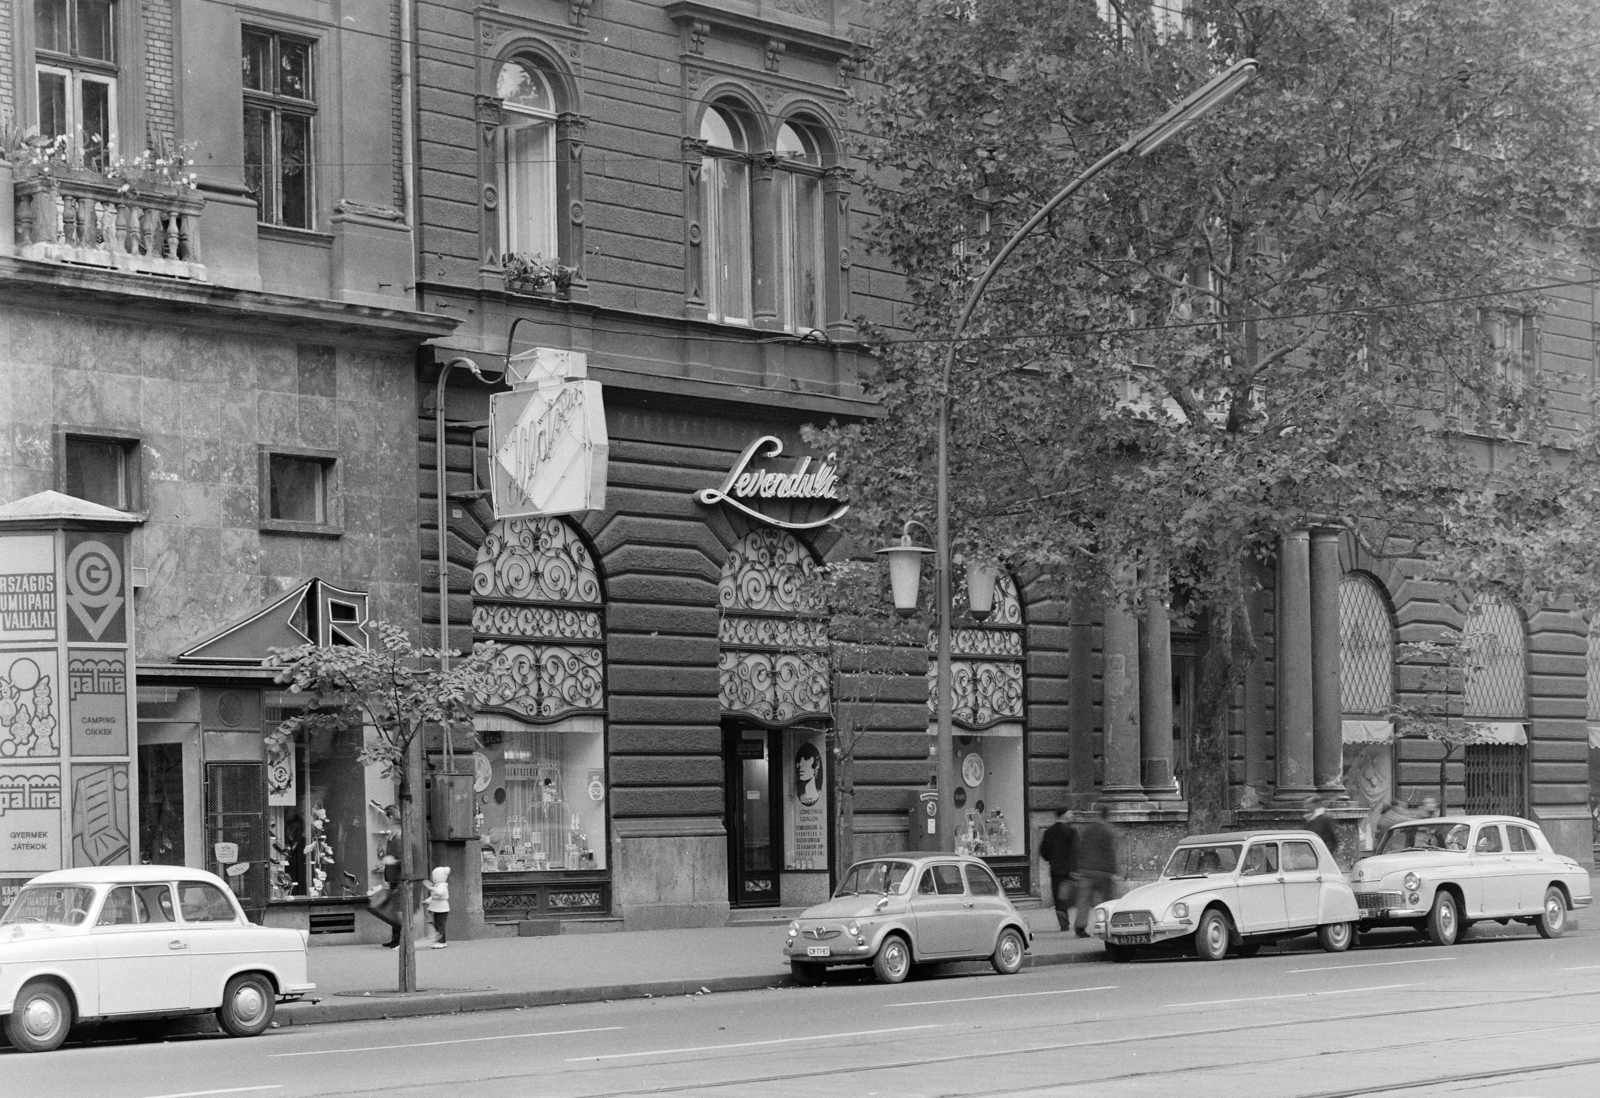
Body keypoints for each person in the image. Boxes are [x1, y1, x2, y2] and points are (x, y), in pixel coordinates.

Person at [1070, 805, 1120, 938]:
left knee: (1083, 901)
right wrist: (1114, 870)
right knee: (1107, 900)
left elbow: (1079, 850)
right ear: (1107, 815)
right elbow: (1110, 852)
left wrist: (1078, 868)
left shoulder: (1087, 830)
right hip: (1103, 872)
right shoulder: (1108, 831)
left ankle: (1080, 927)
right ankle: (1107, 924)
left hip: (1086, 871)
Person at [1038, 810, 1078, 931]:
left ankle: (1063, 923)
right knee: (1066, 896)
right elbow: (1076, 851)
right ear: (1063, 815)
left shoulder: (1049, 831)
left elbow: (1043, 851)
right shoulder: (1071, 831)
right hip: (1068, 870)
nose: (1072, 816)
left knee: (1058, 896)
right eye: (1070, 814)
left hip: (1055, 870)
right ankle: (1066, 918)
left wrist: (1052, 859)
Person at [423, 866, 451, 948]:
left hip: (441, 909)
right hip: (438, 909)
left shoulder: (442, 886)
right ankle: (442, 940)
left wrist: (430, 888)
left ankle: (440, 941)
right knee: (439, 925)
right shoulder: (438, 886)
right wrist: (427, 901)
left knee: (439, 925)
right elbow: (433, 897)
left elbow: (440, 893)